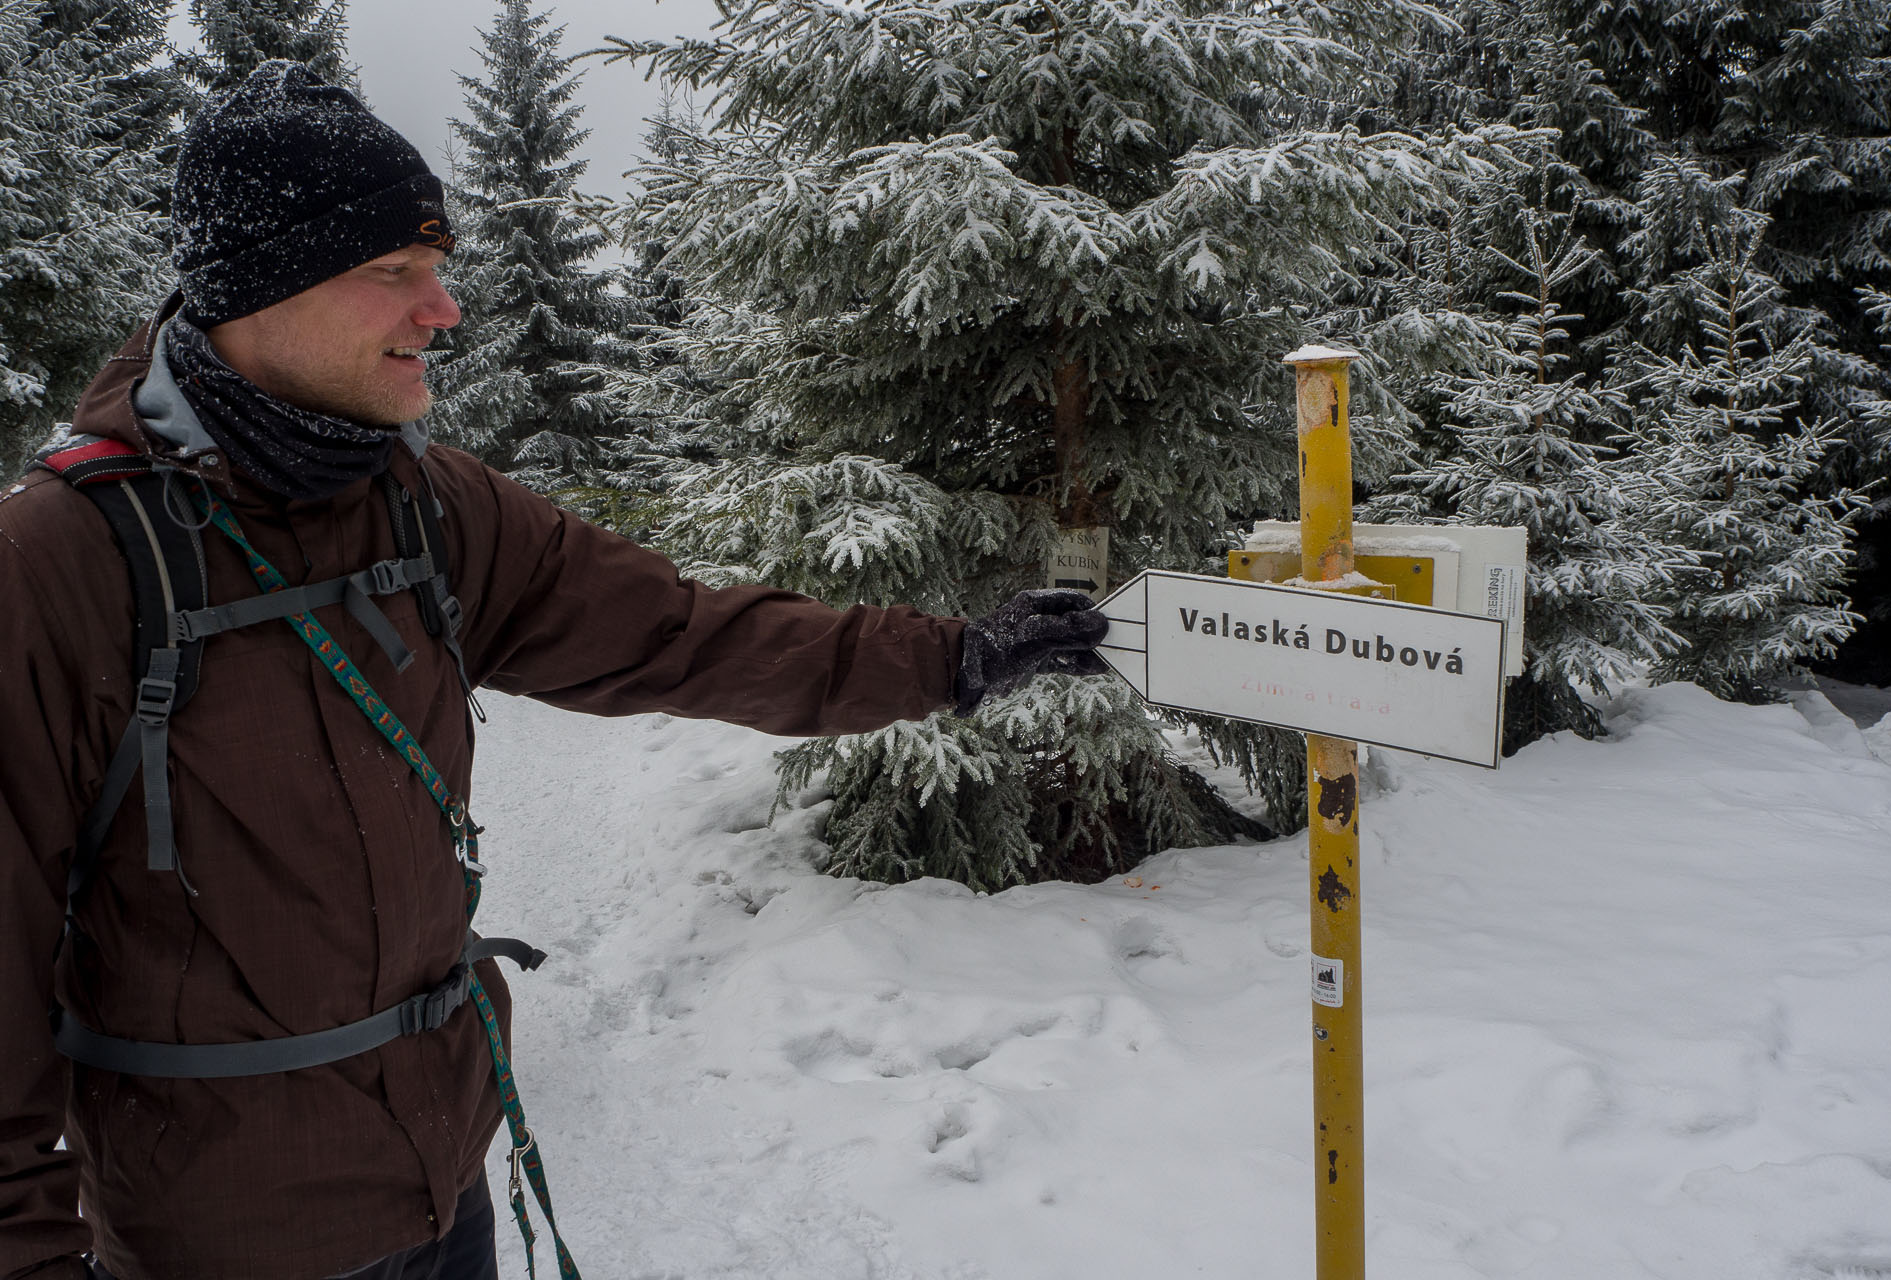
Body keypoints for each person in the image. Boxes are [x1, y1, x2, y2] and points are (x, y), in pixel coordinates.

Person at [0, 63, 1107, 1280]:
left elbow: (683, 632)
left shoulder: (426, 505)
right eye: (393, 273)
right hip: (220, 1241)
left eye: (440, 266)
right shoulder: (61, 563)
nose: (445, 310)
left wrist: (950, 656)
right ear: (257, 292)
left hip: (444, 1189)